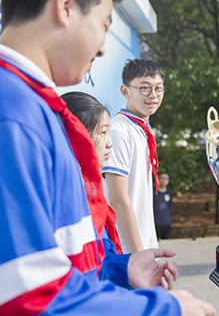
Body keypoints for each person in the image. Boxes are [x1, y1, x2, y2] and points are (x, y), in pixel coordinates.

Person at [0, 0, 214, 315]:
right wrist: (163, 310)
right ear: (66, 6)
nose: (103, 48)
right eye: (104, 24)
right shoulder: (1, 113)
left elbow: (55, 254)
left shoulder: (22, 105)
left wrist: (119, 267)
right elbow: (20, 297)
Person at [62, 91, 179, 286]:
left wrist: (128, 266)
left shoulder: (87, 191)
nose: (110, 143)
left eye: (159, 88)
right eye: (103, 132)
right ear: (77, 134)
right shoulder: (66, 199)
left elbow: (101, 260)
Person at [103, 59, 165, 254]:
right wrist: (139, 254)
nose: (153, 95)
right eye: (145, 88)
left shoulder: (143, 129)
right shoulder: (119, 131)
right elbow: (118, 200)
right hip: (126, 251)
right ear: (125, 91)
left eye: (158, 88)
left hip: (144, 244)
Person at [154, 172, 173, 240]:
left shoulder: (169, 192)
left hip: (166, 222)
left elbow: (170, 206)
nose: (164, 180)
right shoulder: (153, 192)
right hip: (155, 223)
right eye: (162, 178)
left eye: (166, 179)